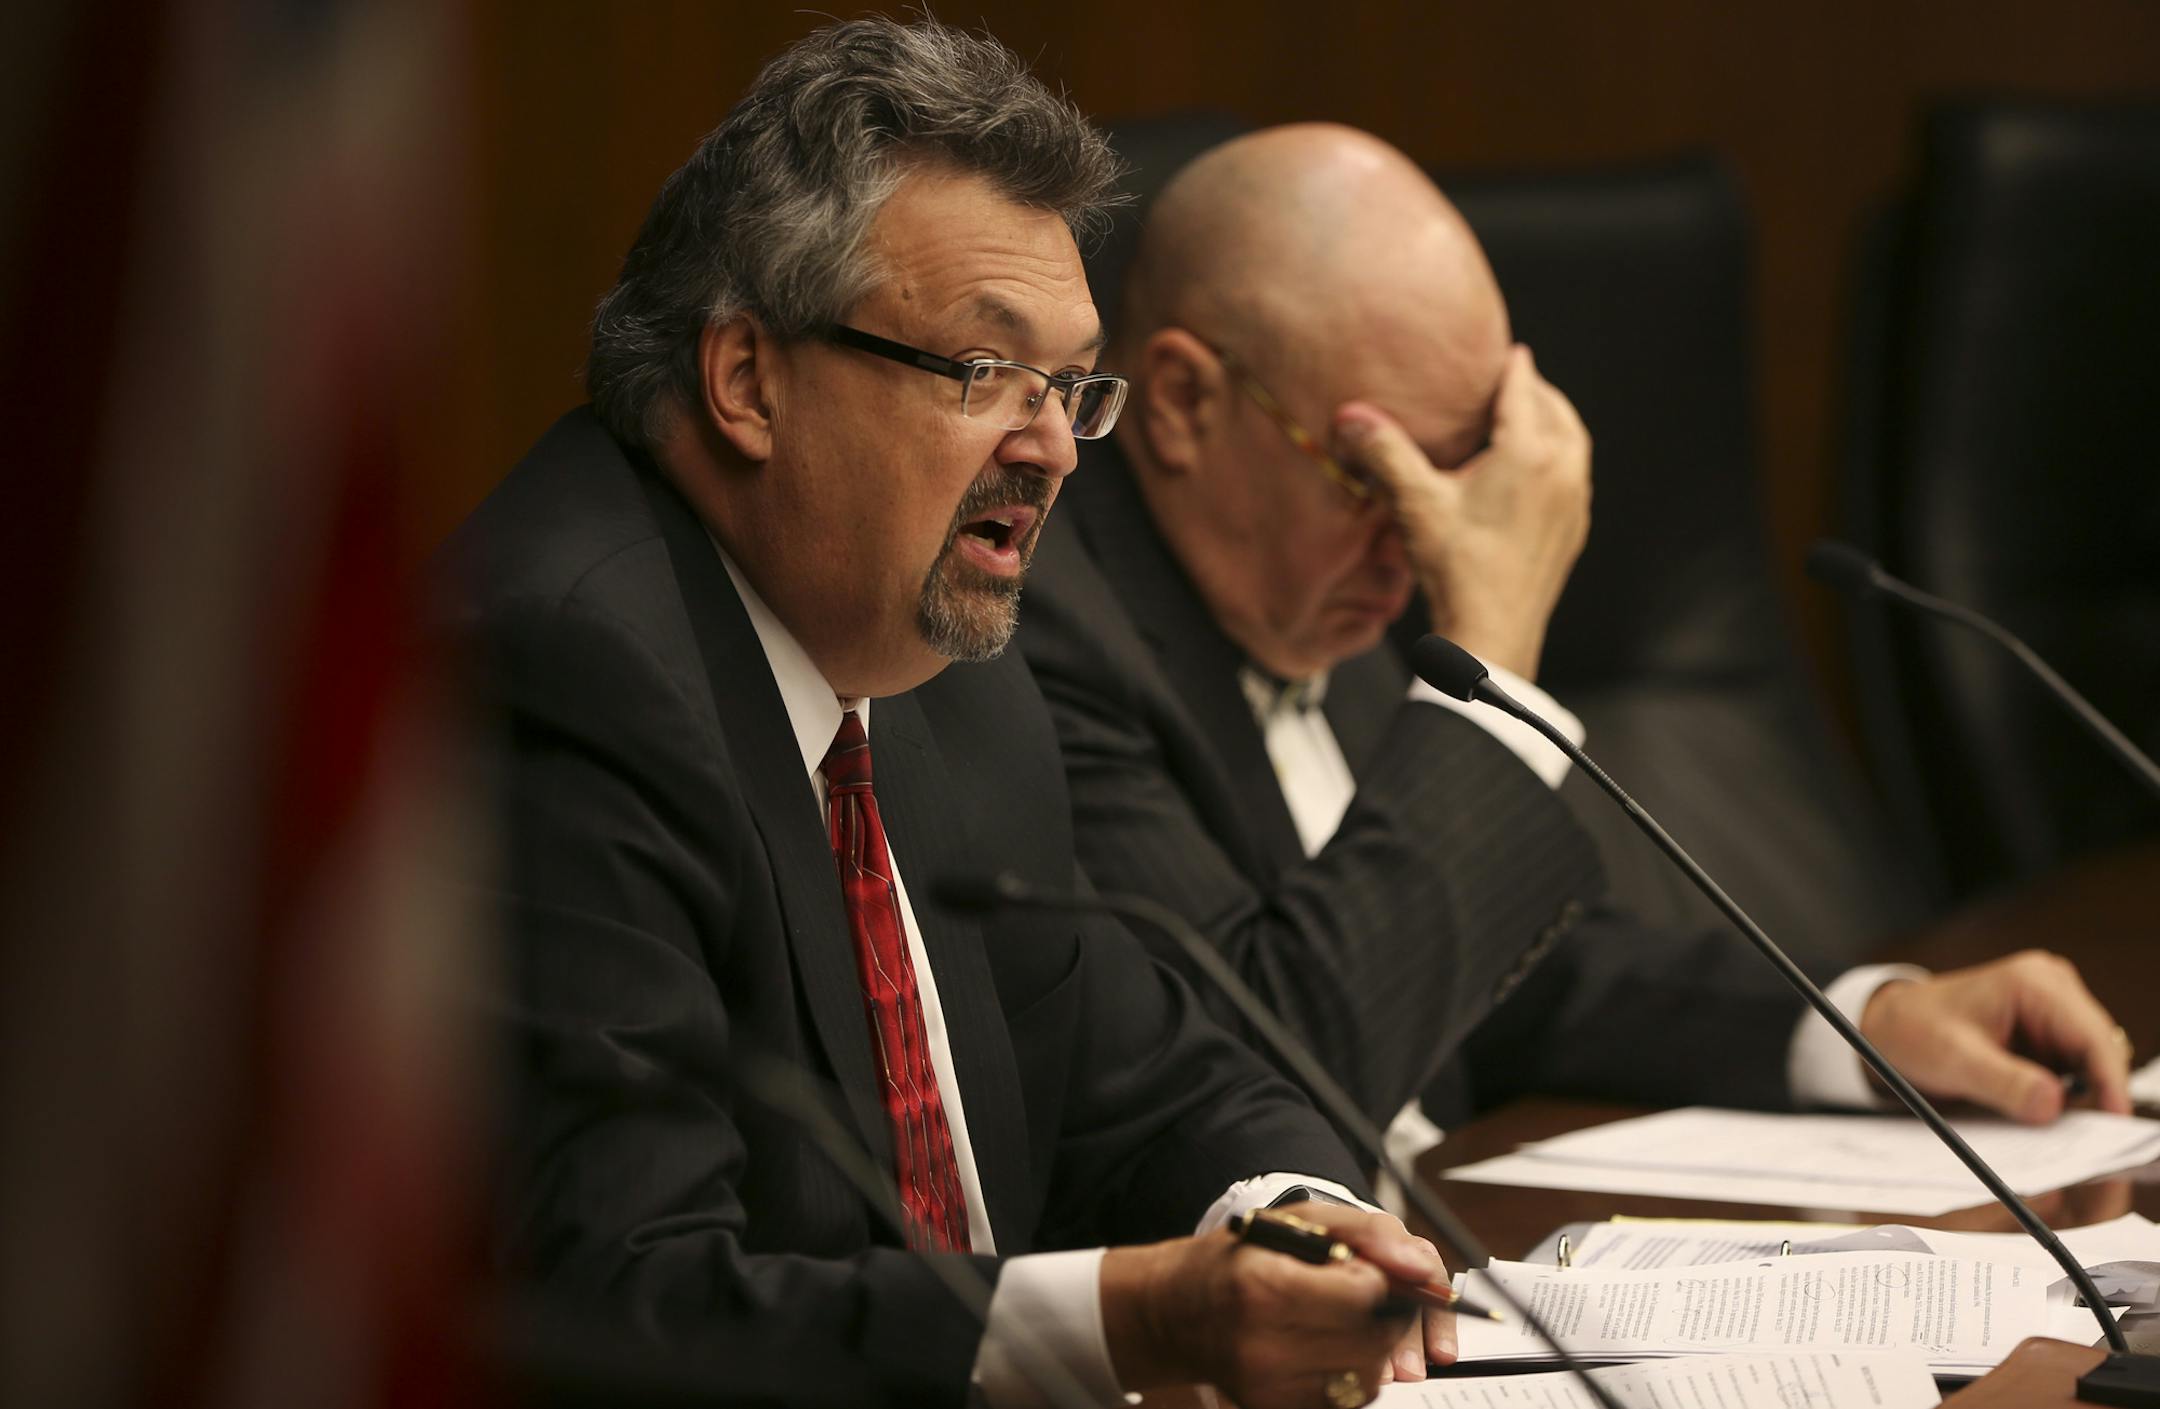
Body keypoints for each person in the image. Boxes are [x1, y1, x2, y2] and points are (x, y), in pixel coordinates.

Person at [438, 25, 1466, 1409]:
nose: (1047, 444)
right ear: (748, 378)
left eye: (1068, 386)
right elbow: (625, 1299)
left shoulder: (938, 669)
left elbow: (1158, 1075)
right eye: (986, 373)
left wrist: (1289, 1210)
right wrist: (1128, 1324)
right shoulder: (562, 672)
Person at [1014, 122, 2133, 1163]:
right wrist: (1492, 645)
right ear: (1181, 403)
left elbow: (1507, 979)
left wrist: (1875, 1019)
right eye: (1376, 476)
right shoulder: (1044, 638)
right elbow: (1262, 1083)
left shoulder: (1310, 561)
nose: (1424, 550)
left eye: (1461, 477)